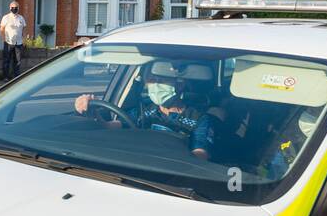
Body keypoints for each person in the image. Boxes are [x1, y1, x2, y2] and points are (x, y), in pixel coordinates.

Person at [74, 62, 219, 161]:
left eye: (161, 80)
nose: (155, 85)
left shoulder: (199, 118)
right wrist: (94, 114)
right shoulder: (145, 109)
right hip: (139, 164)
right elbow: (113, 126)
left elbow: (201, 153)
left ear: (180, 84)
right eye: (151, 80)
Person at [0, 1, 27, 81]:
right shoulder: (6, 17)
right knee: (6, 60)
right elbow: (2, 29)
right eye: (13, 8)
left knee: (18, 61)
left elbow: (24, 29)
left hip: (19, 42)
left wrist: (24, 39)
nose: (14, 9)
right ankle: (6, 77)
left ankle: (16, 77)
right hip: (8, 42)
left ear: (18, 8)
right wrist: (3, 39)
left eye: (16, 8)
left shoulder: (21, 18)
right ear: (10, 8)